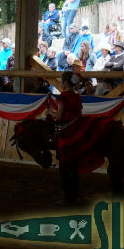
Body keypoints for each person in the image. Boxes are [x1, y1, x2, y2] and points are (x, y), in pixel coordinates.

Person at [48, 71, 83, 205]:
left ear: (66, 83)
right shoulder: (77, 95)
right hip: (78, 127)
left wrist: (50, 112)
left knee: (64, 164)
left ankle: (68, 197)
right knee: (73, 166)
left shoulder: (64, 95)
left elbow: (60, 116)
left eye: (62, 81)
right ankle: (73, 195)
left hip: (66, 129)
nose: (61, 84)